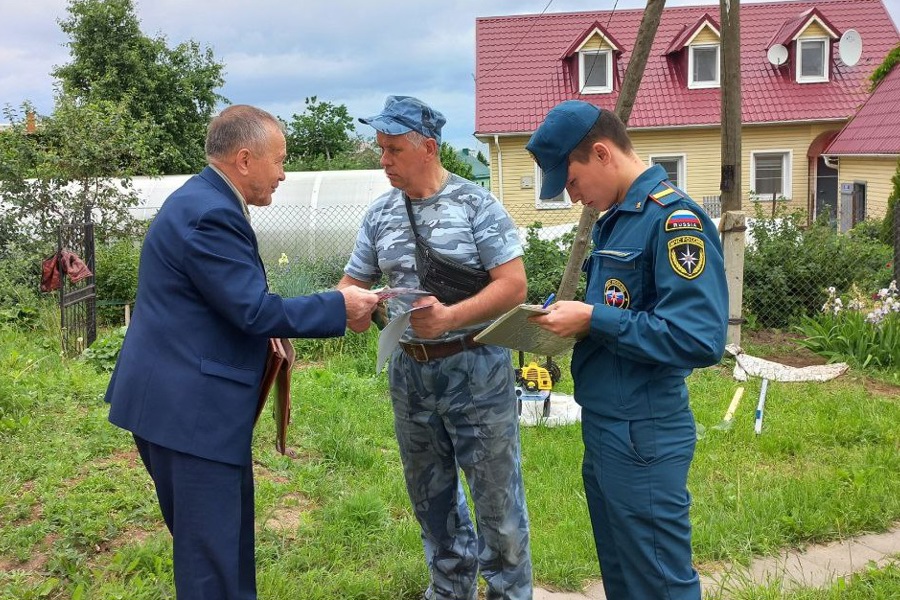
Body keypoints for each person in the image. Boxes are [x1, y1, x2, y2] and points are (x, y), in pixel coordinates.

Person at [105, 104, 379, 600]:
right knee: (212, 562)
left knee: (222, 549)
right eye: (280, 159)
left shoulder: (204, 199)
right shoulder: (211, 213)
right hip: (190, 415)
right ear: (246, 158)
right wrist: (341, 306)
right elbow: (251, 310)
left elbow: (224, 304)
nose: (283, 173)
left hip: (183, 407)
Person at [527, 100, 728, 600]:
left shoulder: (675, 220)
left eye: (571, 183)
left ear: (600, 153)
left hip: (645, 432)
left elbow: (701, 337)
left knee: (659, 581)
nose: (574, 198)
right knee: (623, 575)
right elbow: (625, 305)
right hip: (607, 426)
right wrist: (568, 316)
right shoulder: (619, 218)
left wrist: (595, 318)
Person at [338, 95, 532, 600]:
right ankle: (449, 588)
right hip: (411, 375)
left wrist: (449, 317)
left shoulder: (476, 205)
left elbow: (513, 286)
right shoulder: (380, 213)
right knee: (430, 496)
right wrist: (357, 306)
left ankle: (509, 592)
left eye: (394, 149)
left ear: (428, 147)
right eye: (380, 149)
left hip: (477, 369)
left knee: (497, 501)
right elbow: (349, 284)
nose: (384, 160)